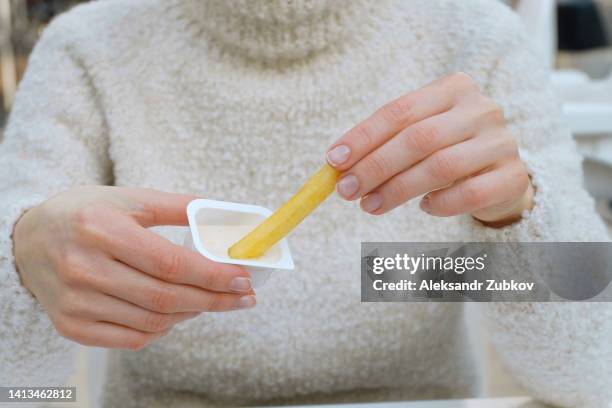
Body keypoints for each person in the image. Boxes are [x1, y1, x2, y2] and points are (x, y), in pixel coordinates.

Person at [0, 0, 610, 407]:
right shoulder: (87, 46)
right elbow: (19, 387)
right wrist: (24, 260)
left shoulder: (475, 36)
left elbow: (589, 375)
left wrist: (512, 219)